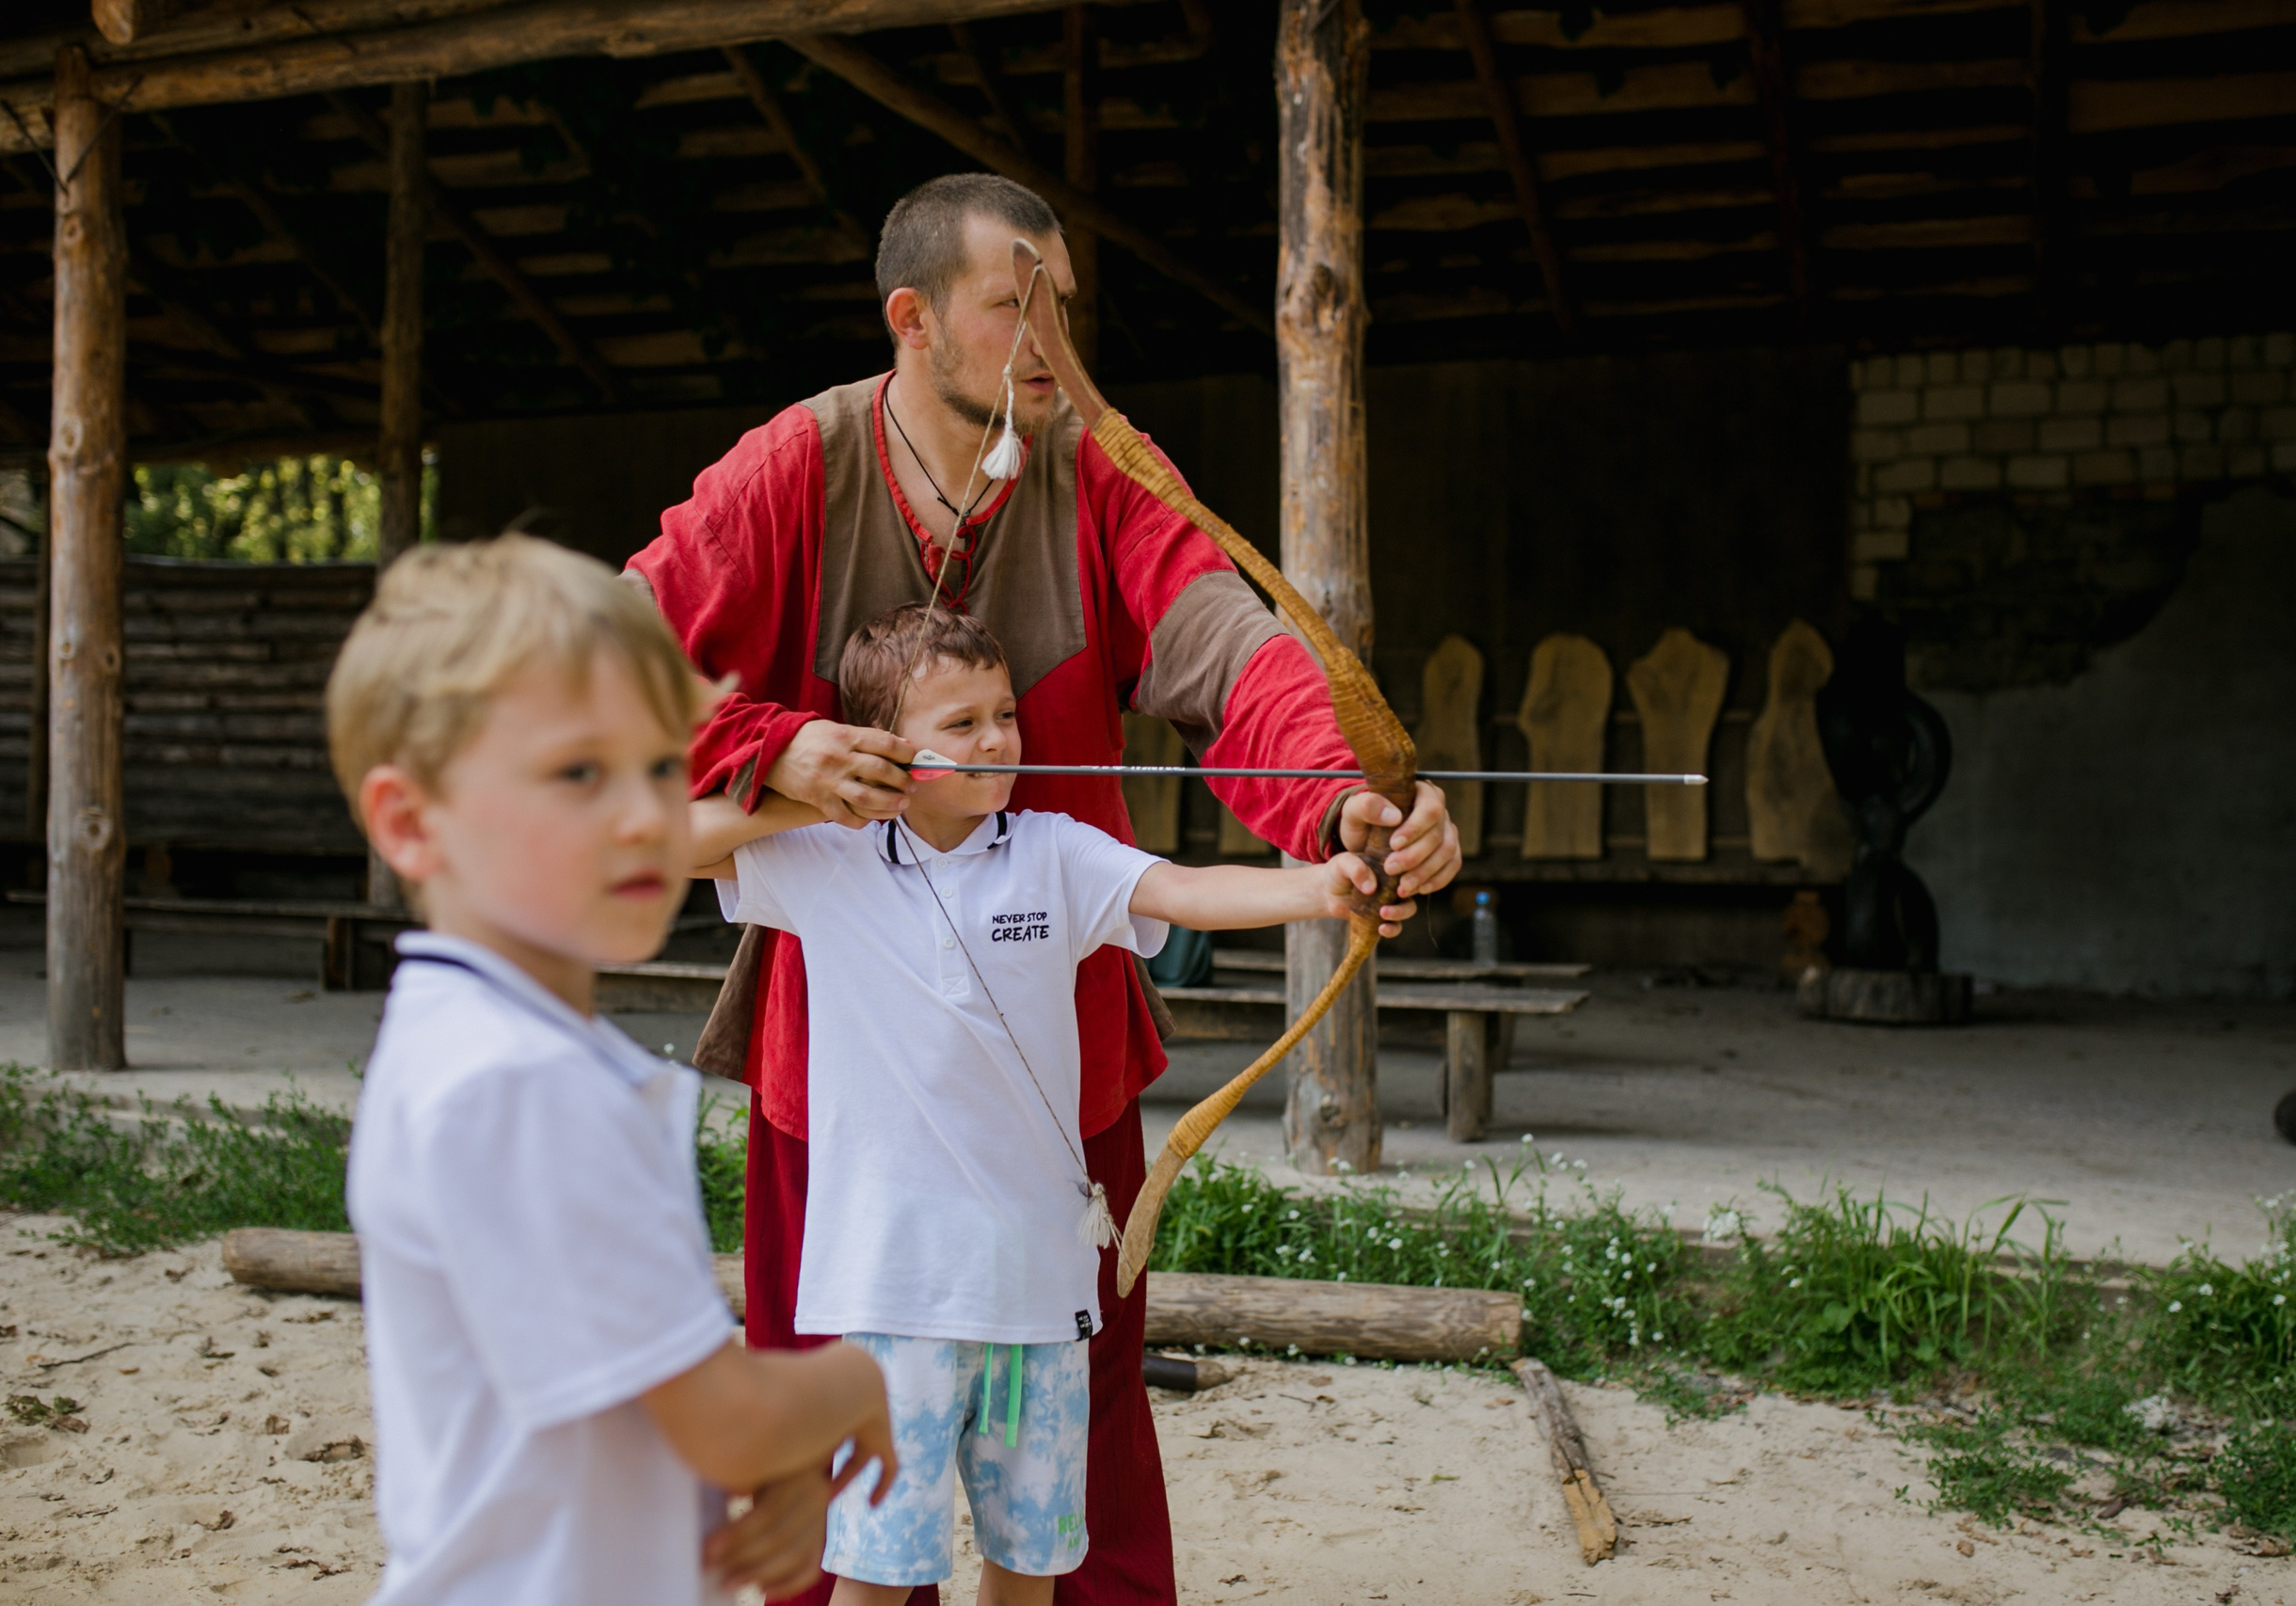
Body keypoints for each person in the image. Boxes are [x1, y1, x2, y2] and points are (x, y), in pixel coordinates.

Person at [626, 172, 1461, 1605]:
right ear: (915, 317)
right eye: (1017, 303)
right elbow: (607, 667)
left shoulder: (1101, 465)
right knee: (820, 1446)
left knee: (1087, 1451)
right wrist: (775, 744)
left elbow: (1230, 645)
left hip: (1048, 1043)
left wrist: (1346, 800)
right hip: (840, 1066)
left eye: (1062, 305)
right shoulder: (797, 467)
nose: (1050, 340)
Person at [687, 603, 1415, 1606]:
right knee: (873, 1570)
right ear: (887, 746)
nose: (995, 740)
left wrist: (1324, 889)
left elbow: (1185, 892)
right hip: (888, 1296)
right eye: (960, 725)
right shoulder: (824, 865)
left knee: (1029, 1566)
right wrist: (828, 793)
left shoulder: (1054, 852)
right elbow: (672, 843)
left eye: (1004, 714)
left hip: (1037, 1292)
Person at [328, 535, 898, 1605]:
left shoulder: (467, 1036)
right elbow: (723, 1424)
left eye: (656, 765)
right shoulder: (521, 1085)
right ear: (411, 822)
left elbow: (641, 1398)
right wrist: (853, 1383)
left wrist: (767, 1452)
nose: (646, 815)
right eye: (579, 773)